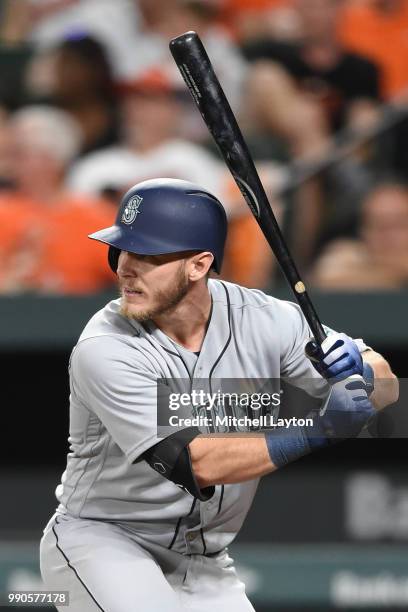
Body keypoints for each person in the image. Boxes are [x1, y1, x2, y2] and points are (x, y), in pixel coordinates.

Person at [40, 178, 398, 611]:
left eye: (148, 255)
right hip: (107, 540)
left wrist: (361, 372)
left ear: (199, 265)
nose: (126, 268)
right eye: (122, 250)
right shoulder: (105, 348)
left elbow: (387, 386)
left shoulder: (265, 319)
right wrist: (318, 429)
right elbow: (194, 461)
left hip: (205, 558)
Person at [0, 105, 115, 294]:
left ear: (51, 159)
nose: (10, 161)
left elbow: (133, 280)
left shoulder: (97, 218)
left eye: (19, 153)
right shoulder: (3, 210)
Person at [311, 181, 408, 290]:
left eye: (399, 224)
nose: (387, 235)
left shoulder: (358, 262)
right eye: (377, 224)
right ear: (362, 231)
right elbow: (327, 279)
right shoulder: (346, 256)